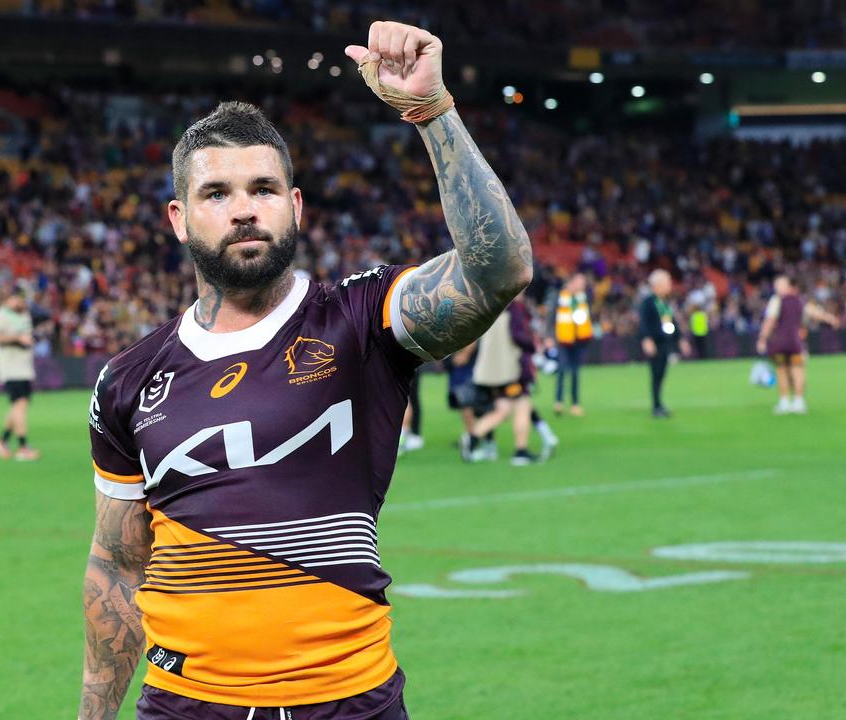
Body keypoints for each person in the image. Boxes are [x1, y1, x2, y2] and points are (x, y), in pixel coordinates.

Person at [80, 23, 533, 719]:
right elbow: (116, 568)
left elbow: (499, 269)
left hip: (348, 702)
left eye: (263, 188)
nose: (242, 209)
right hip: (185, 706)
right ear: (179, 218)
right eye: (216, 193)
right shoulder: (127, 379)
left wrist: (431, 110)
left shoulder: (361, 318)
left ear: (294, 207)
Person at [462, 300, 548, 465]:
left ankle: (472, 437)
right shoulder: (515, 308)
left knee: (503, 409)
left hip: (492, 369)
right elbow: (518, 336)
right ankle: (520, 452)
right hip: (509, 368)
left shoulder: (490, 304)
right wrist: (532, 346)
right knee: (522, 404)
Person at [756, 275, 839, 415]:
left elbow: (770, 320)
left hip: (780, 343)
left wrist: (762, 339)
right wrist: (830, 318)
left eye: (778, 285)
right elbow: (815, 313)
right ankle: (799, 402)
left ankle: (784, 402)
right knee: (798, 371)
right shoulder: (800, 301)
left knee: (782, 371)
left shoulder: (777, 300)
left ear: (786, 286)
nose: (776, 288)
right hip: (796, 343)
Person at [0, 288, 39, 460]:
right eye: (16, 299)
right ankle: (23, 446)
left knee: (19, 405)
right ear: (8, 299)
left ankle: (2, 441)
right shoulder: (1, 315)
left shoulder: (25, 315)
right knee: (20, 404)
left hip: (24, 366)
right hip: (10, 367)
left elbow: (28, 334)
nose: (19, 303)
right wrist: (17, 338)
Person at [639, 269, 691, 418]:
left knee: (662, 374)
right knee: (656, 374)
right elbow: (644, 323)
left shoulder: (665, 302)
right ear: (658, 284)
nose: (669, 285)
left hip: (665, 342)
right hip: (655, 342)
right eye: (667, 282)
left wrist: (680, 339)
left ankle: (659, 404)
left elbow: (672, 322)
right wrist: (647, 339)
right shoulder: (648, 302)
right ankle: (656, 406)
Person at [552, 272, 593, 416]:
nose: (583, 285)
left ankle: (575, 404)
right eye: (581, 282)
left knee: (575, 372)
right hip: (563, 339)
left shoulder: (583, 297)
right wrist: (549, 336)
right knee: (562, 370)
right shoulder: (560, 295)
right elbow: (552, 316)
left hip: (578, 340)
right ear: (573, 282)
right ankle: (558, 402)